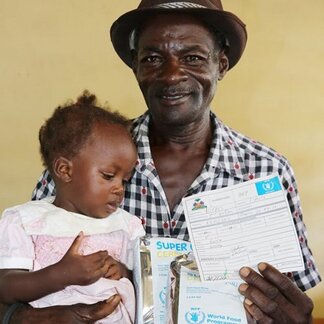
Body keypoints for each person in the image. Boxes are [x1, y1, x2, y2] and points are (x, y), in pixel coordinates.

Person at [0, 0, 321, 323]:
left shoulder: (267, 171)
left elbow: (291, 303)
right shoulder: (82, 162)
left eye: (193, 57)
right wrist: (28, 318)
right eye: (153, 58)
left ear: (221, 65)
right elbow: (12, 286)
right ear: (135, 65)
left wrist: (299, 319)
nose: (171, 75)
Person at [0, 91, 145, 323]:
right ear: (65, 170)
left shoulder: (126, 226)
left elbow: (148, 286)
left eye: (124, 180)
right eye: (108, 176)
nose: (119, 188)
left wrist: (123, 271)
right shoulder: (26, 221)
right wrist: (59, 275)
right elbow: (6, 287)